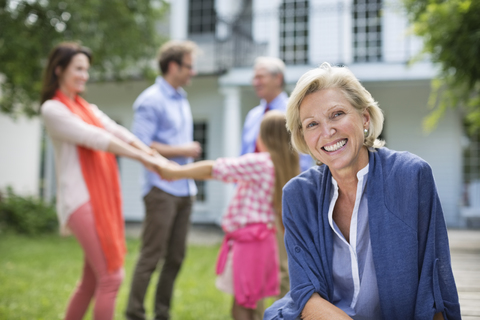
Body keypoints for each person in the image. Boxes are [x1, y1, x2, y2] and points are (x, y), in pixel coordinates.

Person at [264, 63, 461, 320]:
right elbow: (305, 294)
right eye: (312, 124)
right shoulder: (298, 195)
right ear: (303, 137)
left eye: (337, 114)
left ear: (364, 118)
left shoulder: (410, 176)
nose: (327, 131)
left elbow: (434, 286)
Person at [40, 42, 165, 320]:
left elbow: (117, 131)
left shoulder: (87, 107)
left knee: (92, 280)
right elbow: (96, 138)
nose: (84, 75)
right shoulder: (53, 109)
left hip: (100, 201)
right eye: (78, 68)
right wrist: (146, 160)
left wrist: (151, 153)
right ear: (59, 70)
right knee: (111, 276)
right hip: (80, 200)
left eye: (87, 69)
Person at [158, 110, 299, 320]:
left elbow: (213, 169)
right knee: (250, 301)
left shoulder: (260, 163)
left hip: (249, 242)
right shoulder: (286, 166)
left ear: (265, 136)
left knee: (242, 304)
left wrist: (174, 172)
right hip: (264, 241)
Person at [126, 40, 201, 320]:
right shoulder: (151, 100)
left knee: (176, 258)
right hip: (161, 189)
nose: (192, 72)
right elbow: (139, 144)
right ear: (173, 66)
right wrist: (182, 150)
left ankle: (162, 314)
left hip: (184, 189)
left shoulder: (181, 98)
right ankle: (134, 313)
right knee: (151, 256)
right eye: (189, 67)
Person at [241, 57, 310, 302]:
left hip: (283, 193)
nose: (255, 81)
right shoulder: (253, 116)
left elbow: (304, 157)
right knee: (258, 258)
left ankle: (288, 309)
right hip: (256, 199)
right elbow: (245, 155)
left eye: (260, 76)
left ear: (277, 78)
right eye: (254, 76)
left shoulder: (295, 111)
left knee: (284, 259)